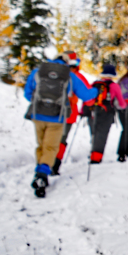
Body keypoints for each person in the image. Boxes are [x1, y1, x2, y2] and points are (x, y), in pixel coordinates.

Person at [24, 53, 98, 197]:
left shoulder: (38, 72)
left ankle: (40, 170)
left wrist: (41, 102)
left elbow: (28, 94)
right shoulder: (69, 76)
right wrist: (97, 90)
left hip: (37, 115)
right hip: (57, 117)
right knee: (51, 147)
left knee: (41, 146)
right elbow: (87, 95)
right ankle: (42, 175)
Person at [51, 51, 92, 176]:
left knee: (50, 139)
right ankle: (55, 165)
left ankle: (45, 164)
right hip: (69, 114)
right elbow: (88, 97)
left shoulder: (52, 73)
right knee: (62, 140)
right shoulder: (78, 77)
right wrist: (87, 108)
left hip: (50, 111)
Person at [83, 63, 128, 164]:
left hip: (93, 111)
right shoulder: (114, 86)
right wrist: (126, 103)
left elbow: (87, 97)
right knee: (102, 135)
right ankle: (96, 157)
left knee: (94, 133)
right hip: (106, 113)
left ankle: (93, 151)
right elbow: (122, 104)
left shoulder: (95, 83)